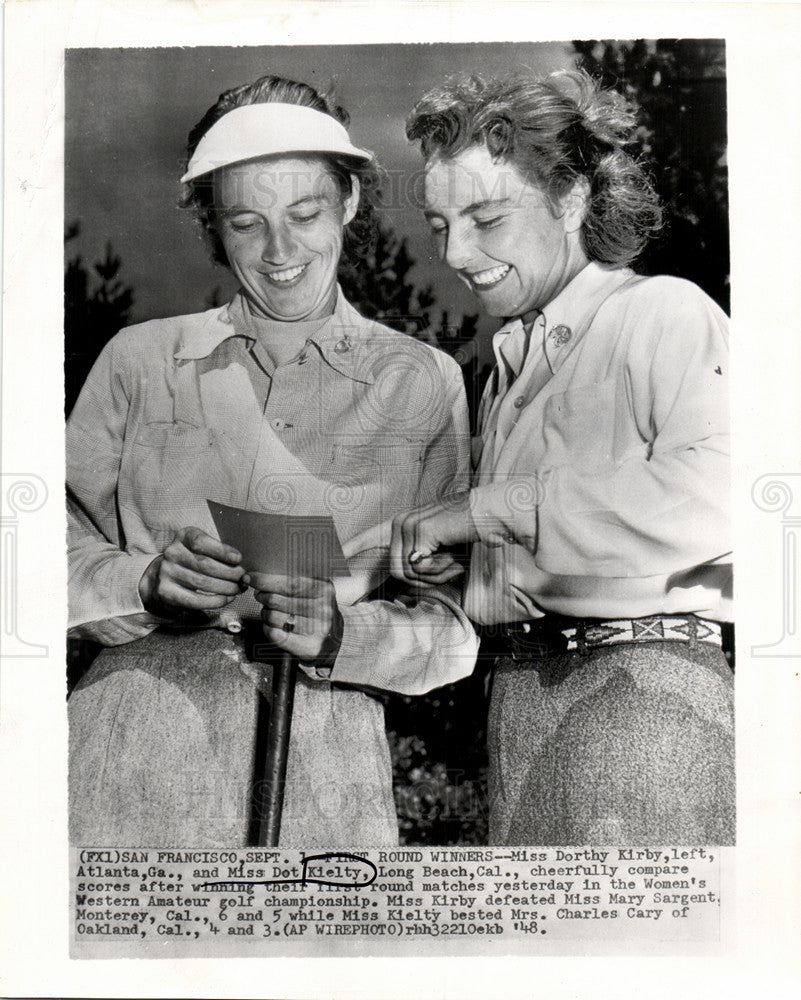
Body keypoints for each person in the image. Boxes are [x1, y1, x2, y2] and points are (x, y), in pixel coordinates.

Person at [67, 73, 477, 848]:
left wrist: (339, 637)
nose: (280, 251)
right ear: (212, 228)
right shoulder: (140, 360)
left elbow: (451, 626)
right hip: (127, 748)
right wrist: (143, 583)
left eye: (305, 213)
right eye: (246, 223)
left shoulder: (422, 380)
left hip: (325, 770)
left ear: (352, 202)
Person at [391, 70, 734, 845]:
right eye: (440, 224)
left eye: (485, 218)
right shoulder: (510, 364)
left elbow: (731, 492)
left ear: (572, 198)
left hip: (642, 698)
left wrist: (484, 511)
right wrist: (473, 567)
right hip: (520, 701)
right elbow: (560, 538)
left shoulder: (660, 311)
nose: (455, 252)